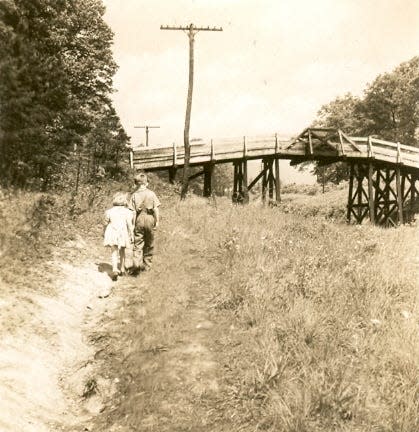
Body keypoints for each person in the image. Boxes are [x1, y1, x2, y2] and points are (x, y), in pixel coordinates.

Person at [129, 173, 160, 273]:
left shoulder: (134, 195)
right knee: (149, 242)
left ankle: (136, 265)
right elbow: (156, 209)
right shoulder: (151, 194)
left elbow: (133, 212)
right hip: (150, 218)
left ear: (136, 183)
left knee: (138, 242)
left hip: (139, 219)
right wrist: (157, 221)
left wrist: (133, 224)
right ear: (146, 183)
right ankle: (147, 266)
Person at [103, 192, 134, 280]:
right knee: (122, 250)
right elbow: (129, 225)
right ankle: (122, 268)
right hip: (122, 232)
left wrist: (104, 231)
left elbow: (105, 223)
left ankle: (115, 269)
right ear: (124, 201)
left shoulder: (109, 211)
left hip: (112, 231)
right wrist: (131, 234)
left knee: (114, 251)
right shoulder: (128, 212)